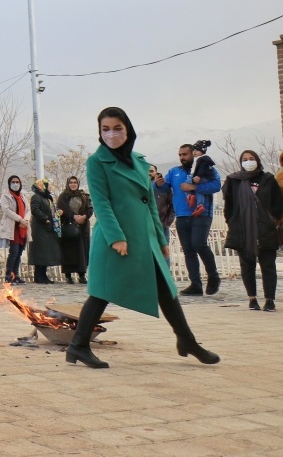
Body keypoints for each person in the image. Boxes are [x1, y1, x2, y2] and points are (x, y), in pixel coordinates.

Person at [67, 107, 218, 369]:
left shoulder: (139, 161)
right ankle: (78, 346)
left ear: (128, 130)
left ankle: (187, 341)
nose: (111, 134)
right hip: (116, 237)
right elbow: (101, 202)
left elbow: (149, 204)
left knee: (165, 287)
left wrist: (160, 239)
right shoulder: (96, 162)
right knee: (102, 291)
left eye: (117, 128)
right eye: (105, 129)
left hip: (144, 237)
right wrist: (116, 237)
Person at [154, 143, 221, 295]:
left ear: (193, 154)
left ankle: (213, 276)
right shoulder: (174, 172)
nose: (182, 157)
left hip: (202, 213)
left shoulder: (206, 168)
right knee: (188, 250)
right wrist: (158, 185)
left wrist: (195, 188)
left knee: (199, 244)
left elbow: (216, 185)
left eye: (185, 154)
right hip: (182, 215)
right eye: (180, 155)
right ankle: (195, 285)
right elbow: (165, 188)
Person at [222, 150, 283, 312]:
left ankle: (269, 300)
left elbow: (277, 203)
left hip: (265, 229)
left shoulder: (268, 179)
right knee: (247, 266)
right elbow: (229, 205)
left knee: (268, 266)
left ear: (257, 160)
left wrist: (273, 220)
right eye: (245, 159)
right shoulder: (234, 180)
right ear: (240, 162)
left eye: (251, 158)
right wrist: (233, 223)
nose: (248, 161)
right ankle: (252, 298)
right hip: (243, 229)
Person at [57, 176, 92, 284]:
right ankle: (68, 275)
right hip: (69, 227)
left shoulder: (84, 195)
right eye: (71, 182)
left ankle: (82, 275)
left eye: (75, 182)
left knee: (82, 251)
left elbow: (90, 208)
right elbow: (62, 209)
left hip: (83, 228)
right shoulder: (63, 196)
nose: (73, 184)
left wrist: (84, 216)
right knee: (69, 251)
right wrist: (73, 217)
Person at [27, 179, 62, 284]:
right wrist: (45, 218)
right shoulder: (36, 197)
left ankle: (43, 276)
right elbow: (35, 210)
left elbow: (51, 211)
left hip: (47, 228)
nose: (49, 187)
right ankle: (39, 276)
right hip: (40, 229)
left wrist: (57, 213)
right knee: (40, 253)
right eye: (47, 186)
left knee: (45, 253)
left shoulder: (47, 198)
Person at [0, 175, 30, 284]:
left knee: (19, 253)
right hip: (13, 228)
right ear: (9, 183)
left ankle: (16, 275)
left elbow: (28, 210)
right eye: (13, 182)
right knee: (14, 252)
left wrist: (25, 220)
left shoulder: (23, 197)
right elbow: (7, 211)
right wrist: (20, 219)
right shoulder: (5, 196)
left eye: (17, 182)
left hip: (23, 228)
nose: (15, 184)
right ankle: (9, 275)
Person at [188, 139, 215, 217]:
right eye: (193, 150)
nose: (194, 152)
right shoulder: (200, 159)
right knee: (191, 185)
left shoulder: (203, 159)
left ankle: (200, 204)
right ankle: (191, 197)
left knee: (198, 189)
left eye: (196, 150)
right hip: (204, 177)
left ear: (202, 151)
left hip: (204, 178)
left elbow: (202, 169)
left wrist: (198, 176)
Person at [149, 164, 175, 241]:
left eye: (151, 171)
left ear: (156, 173)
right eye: (146, 171)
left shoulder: (164, 187)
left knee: (163, 248)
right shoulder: (140, 186)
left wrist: (167, 222)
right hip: (145, 226)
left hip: (162, 226)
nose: (149, 173)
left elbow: (173, 205)